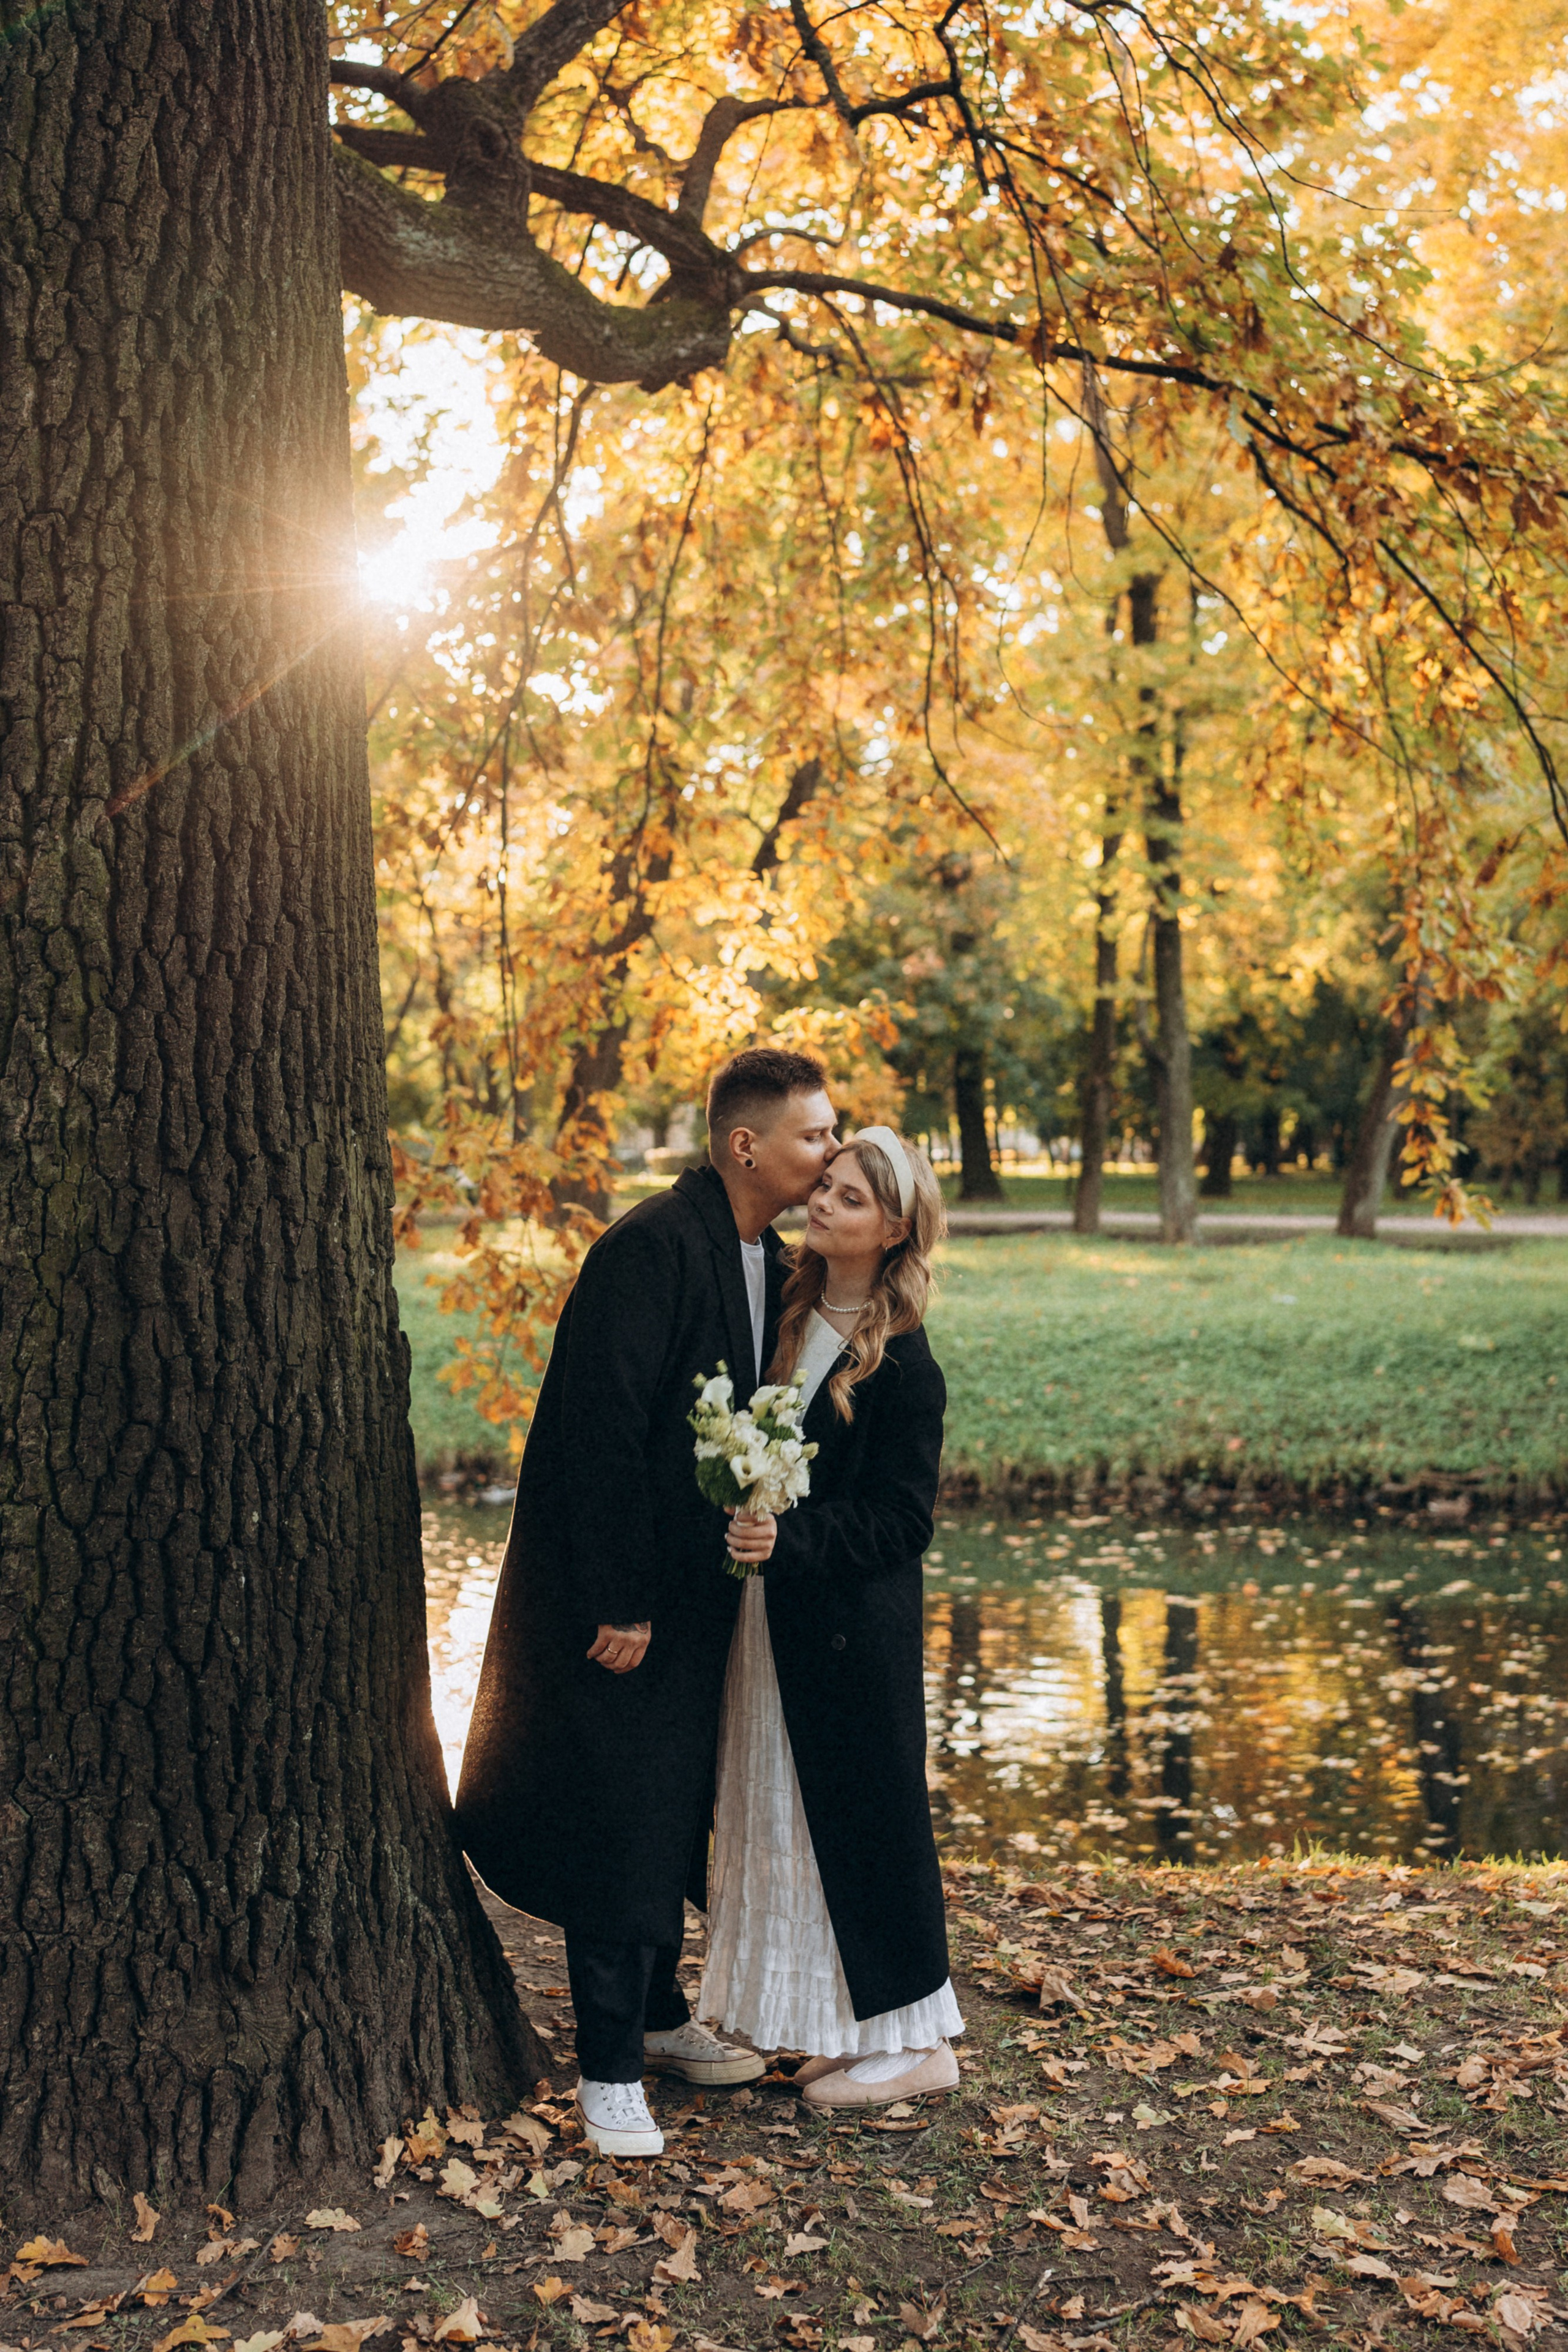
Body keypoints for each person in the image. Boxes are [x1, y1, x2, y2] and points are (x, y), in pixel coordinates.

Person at [454, 1047, 840, 2157]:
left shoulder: (761, 1249)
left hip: (706, 1592)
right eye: (814, 1134)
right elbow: (602, 1437)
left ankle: (664, 2017)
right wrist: (622, 1599)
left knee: (678, 1813)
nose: (828, 1151)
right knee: (621, 1817)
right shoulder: (648, 1248)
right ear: (744, 1144)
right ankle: (609, 2072)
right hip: (618, 1602)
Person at [699, 1127, 963, 2108]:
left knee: (874, 1823)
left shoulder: (904, 1366)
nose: (825, 1205)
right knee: (795, 1826)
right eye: (829, 1187)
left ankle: (924, 2038)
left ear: (894, 1229)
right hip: (773, 1624)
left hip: (853, 1632)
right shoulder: (788, 1313)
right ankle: (855, 2032)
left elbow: (904, 1523)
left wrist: (792, 1540)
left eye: (851, 1200)